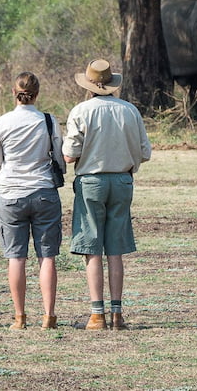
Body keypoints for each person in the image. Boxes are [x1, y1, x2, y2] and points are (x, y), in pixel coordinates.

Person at [62, 59, 151, 330]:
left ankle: (96, 315)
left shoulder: (81, 111)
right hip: (123, 182)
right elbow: (144, 152)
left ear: (88, 85)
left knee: (92, 250)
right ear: (112, 85)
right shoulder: (130, 111)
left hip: (91, 182)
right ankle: (117, 314)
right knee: (115, 251)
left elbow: (68, 156)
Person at [0, 72, 65, 330]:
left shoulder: (2, 122)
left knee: (16, 257)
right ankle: (48, 316)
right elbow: (61, 161)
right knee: (47, 256)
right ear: (37, 94)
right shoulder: (49, 120)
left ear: (14, 93)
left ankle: (20, 318)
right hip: (44, 192)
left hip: (10, 195)